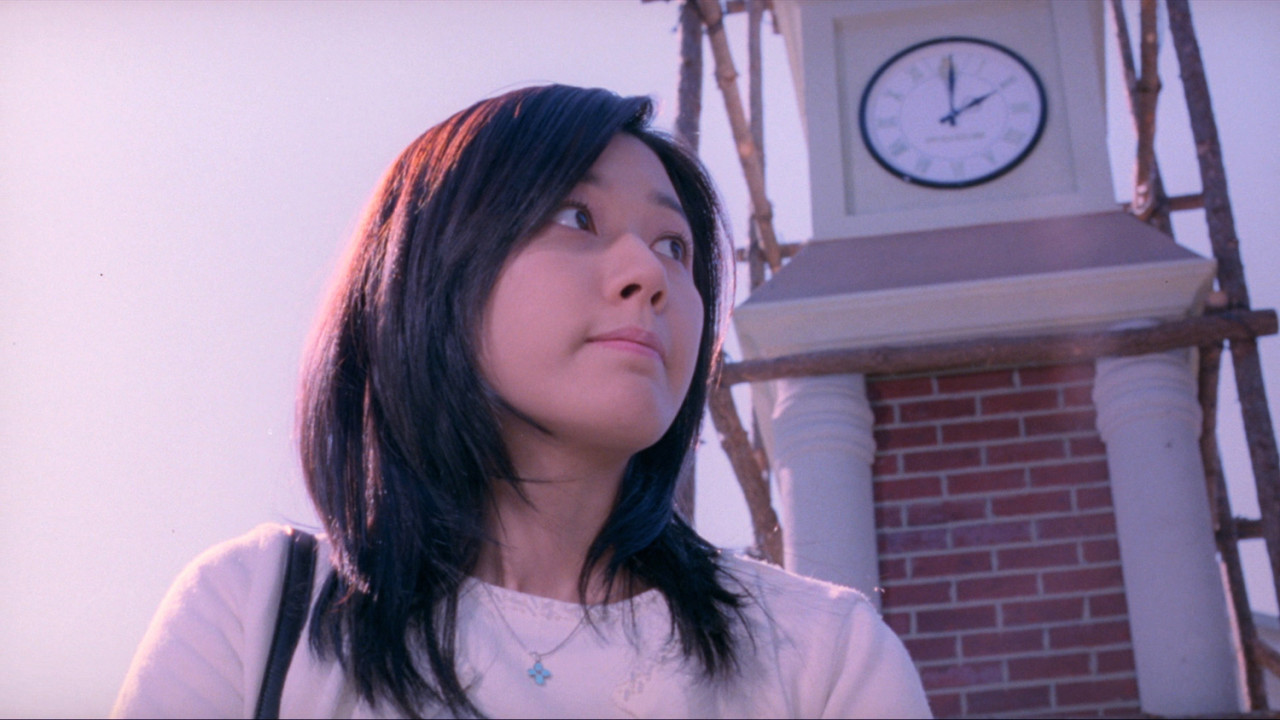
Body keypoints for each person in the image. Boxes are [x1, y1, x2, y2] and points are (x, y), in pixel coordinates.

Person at [112, 84, 930, 719]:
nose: (647, 274)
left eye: (673, 246)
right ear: (430, 273)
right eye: (576, 216)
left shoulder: (821, 656)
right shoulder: (259, 611)